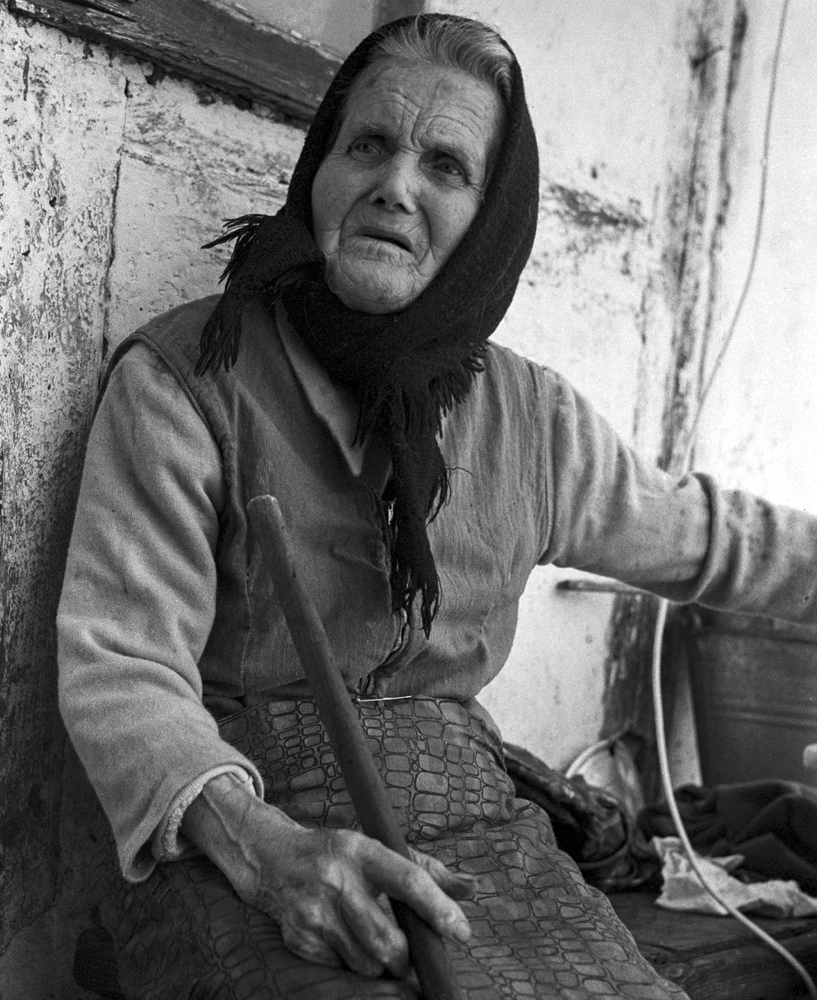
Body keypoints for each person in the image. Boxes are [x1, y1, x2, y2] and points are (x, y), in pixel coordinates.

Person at [57, 13, 817, 1000]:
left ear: (491, 220)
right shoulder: (188, 381)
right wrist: (267, 850)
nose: (394, 185)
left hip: (477, 835)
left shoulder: (530, 421)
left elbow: (715, 541)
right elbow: (123, 669)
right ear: (320, 169)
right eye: (368, 144)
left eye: (446, 167)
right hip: (239, 838)